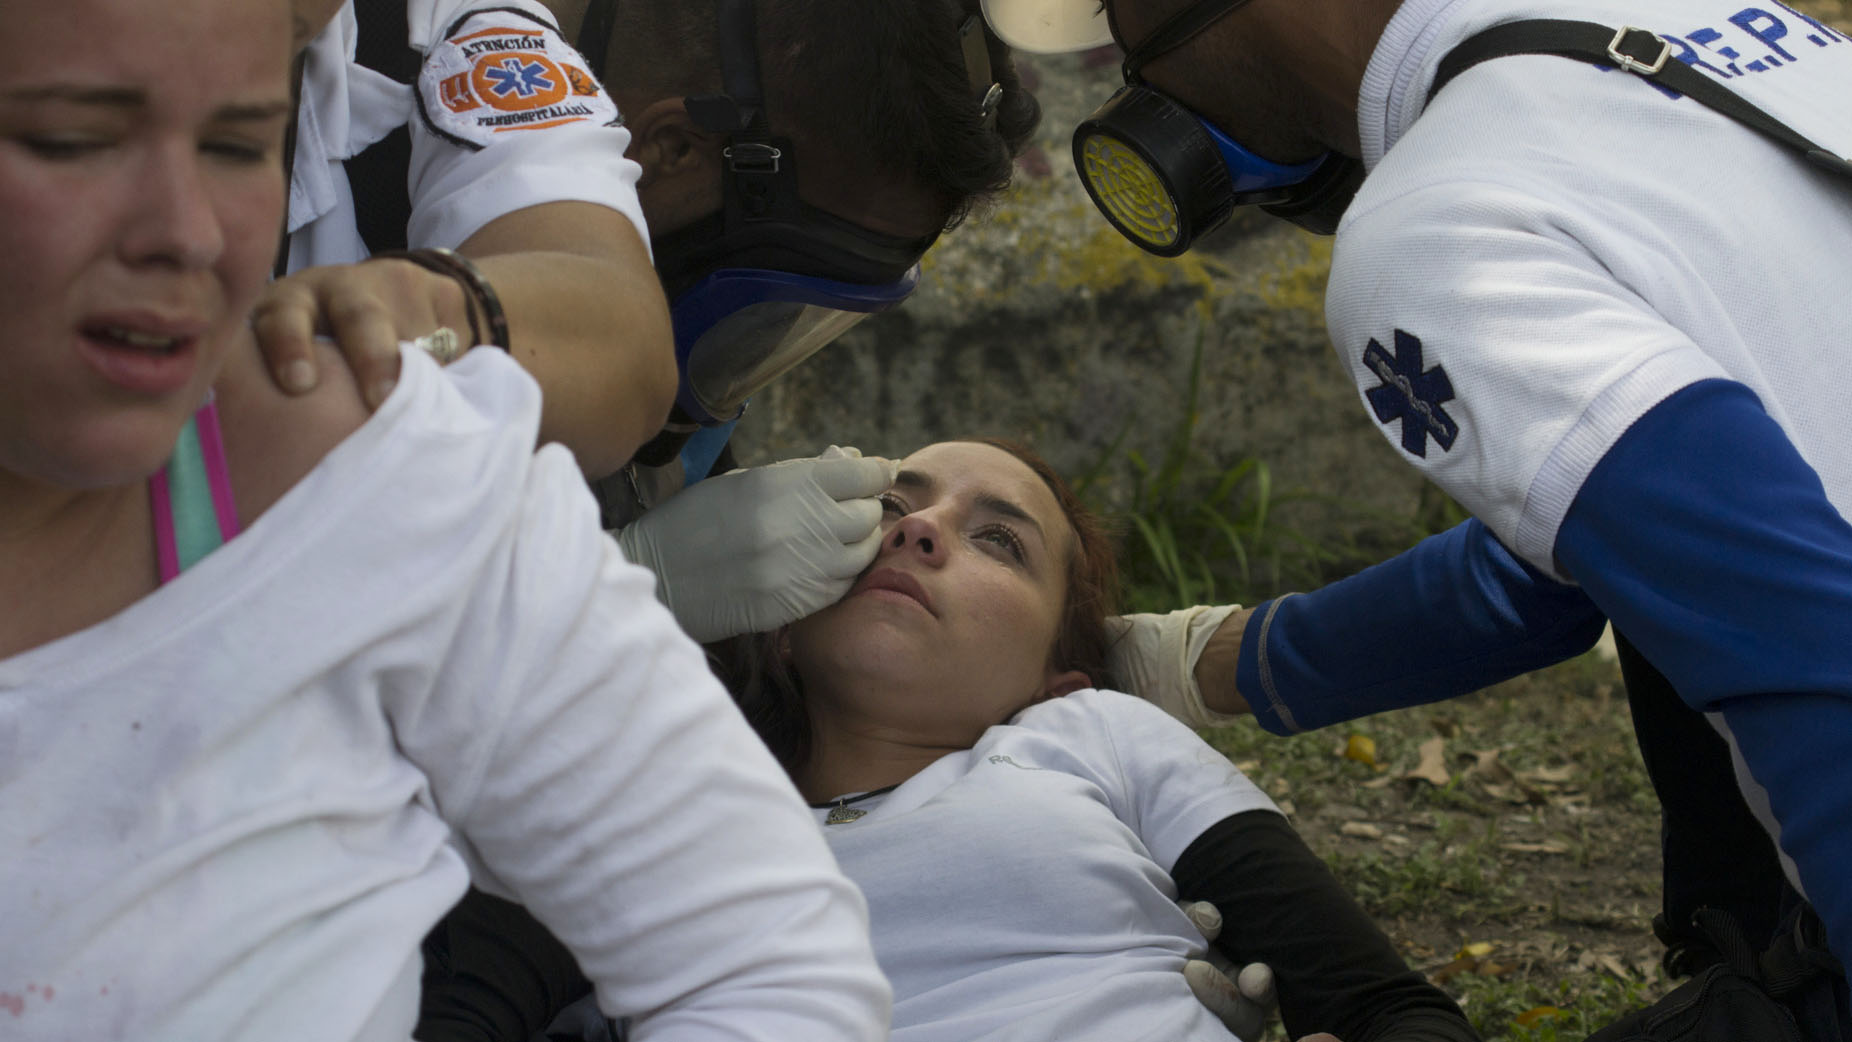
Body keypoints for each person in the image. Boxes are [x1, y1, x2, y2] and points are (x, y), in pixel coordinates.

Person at [0, 0, 890, 1037]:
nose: (186, 232)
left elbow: (776, 969)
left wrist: (406, 338)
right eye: (72, 140)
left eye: (243, 143)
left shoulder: (373, 465)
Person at [975, 0, 1852, 1029]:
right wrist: (1201, 660)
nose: (1137, 75)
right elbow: (1584, 561)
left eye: (1128, 30)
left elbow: (1803, 642)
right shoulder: (1741, 36)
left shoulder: (1443, 212)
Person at [415, 440, 1477, 1042]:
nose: (919, 531)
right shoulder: (639, 820)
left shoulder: (1092, 736)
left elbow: (1386, 1010)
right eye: (892, 505)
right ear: (775, 617)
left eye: (997, 542)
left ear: (1052, 674)